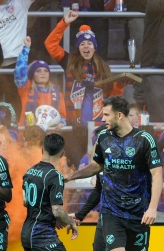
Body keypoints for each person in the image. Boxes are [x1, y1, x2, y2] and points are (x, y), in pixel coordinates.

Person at [64, 96, 162, 251]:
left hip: (138, 213)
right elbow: (96, 166)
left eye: (106, 115)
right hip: (111, 212)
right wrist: (71, 176)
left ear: (119, 115)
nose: (102, 119)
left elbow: (157, 174)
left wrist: (152, 208)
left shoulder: (144, 139)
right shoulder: (103, 138)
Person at [45, 10, 124, 168]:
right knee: (74, 166)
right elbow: (50, 44)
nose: (86, 46)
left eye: (89, 43)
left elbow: (111, 97)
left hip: (99, 126)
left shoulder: (103, 67)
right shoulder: (70, 62)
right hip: (75, 126)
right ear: (78, 47)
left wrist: (121, 85)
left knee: (98, 167)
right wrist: (64, 23)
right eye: (82, 43)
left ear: (95, 47)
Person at [15, 37, 67, 131]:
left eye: (46, 71)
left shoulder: (57, 94)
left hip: (50, 138)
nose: (43, 73)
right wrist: (26, 49)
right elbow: (19, 72)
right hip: (28, 137)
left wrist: (61, 122)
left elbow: (62, 116)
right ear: (32, 75)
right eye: (38, 71)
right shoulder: (26, 88)